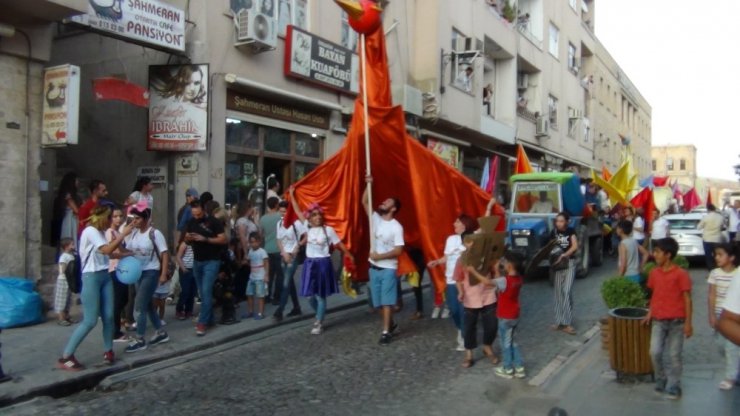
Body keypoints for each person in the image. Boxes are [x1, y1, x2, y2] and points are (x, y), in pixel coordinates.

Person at [57, 206, 133, 371]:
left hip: (104, 276)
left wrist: (129, 254)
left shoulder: (100, 233)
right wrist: (123, 234)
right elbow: (106, 249)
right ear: (103, 218)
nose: (114, 221)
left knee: (109, 316)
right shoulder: (90, 231)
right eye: (111, 217)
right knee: (90, 320)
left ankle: (108, 351)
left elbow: (109, 254)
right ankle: (66, 356)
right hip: (91, 277)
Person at [289, 186, 354, 335]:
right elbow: (298, 211)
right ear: (310, 218)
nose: (318, 217)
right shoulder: (307, 228)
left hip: (323, 264)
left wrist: (349, 254)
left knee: (320, 295)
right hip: (310, 264)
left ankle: (318, 322)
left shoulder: (328, 230)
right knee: (310, 296)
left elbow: (339, 244)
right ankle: (320, 312)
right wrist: (292, 195)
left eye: (319, 215)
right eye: (314, 215)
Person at [641, 237, 692, 400]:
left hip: (677, 321)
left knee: (674, 355)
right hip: (658, 320)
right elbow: (654, 295)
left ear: (668, 255)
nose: (654, 255)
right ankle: (661, 379)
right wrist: (650, 312)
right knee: (654, 352)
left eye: (657, 252)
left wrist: (689, 323)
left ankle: (674, 385)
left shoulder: (681, 274)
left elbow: (687, 299)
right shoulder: (654, 273)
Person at [362, 177, 404, 345]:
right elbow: (364, 201)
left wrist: (380, 256)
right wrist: (369, 184)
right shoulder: (376, 219)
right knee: (377, 304)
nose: (383, 202)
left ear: (393, 208)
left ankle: (386, 332)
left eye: (387, 202)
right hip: (374, 268)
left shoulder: (396, 227)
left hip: (388, 269)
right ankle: (391, 323)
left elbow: (398, 250)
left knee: (386, 303)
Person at [123, 203, 170, 353]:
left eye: (137, 218)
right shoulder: (135, 234)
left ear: (145, 218)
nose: (134, 221)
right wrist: (122, 235)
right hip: (138, 272)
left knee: (139, 305)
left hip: (151, 272)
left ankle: (140, 338)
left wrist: (163, 274)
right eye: (133, 218)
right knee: (148, 305)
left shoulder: (155, 233)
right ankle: (161, 332)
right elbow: (127, 251)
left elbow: (164, 253)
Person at [427, 214, 478, 350]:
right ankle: (461, 329)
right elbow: (447, 257)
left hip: (465, 280)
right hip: (451, 279)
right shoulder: (450, 239)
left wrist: (490, 207)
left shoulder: (472, 238)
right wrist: (437, 262)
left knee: (463, 310)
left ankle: (464, 336)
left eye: (457, 222)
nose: (454, 224)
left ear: (464, 224)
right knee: (454, 310)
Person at [185, 200, 228, 336]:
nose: (196, 217)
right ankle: (209, 319)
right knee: (203, 293)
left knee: (206, 290)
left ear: (204, 210)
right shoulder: (191, 222)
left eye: (198, 214)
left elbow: (223, 239)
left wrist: (206, 239)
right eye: (194, 214)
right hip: (197, 261)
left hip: (211, 261)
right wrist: (188, 239)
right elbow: (185, 241)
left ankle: (202, 323)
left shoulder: (214, 222)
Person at [458, 239, 499, 368]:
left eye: (472, 242)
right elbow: (458, 278)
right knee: (469, 327)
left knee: (492, 325)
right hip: (470, 296)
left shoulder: (487, 258)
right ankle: (469, 354)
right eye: (467, 242)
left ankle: (487, 346)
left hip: (488, 295)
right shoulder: (462, 259)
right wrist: (460, 292)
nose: (470, 245)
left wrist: (496, 269)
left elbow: (495, 276)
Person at [706, 243, 740, 390]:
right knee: (722, 346)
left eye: (720, 254)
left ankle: (730, 376)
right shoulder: (715, 273)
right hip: (721, 316)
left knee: (732, 347)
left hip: (734, 317)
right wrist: (712, 314)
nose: (716, 257)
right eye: (716, 255)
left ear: (732, 257)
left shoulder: (736, 273)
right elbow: (711, 295)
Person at [491, 251, 526, 379]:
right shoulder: (518, 279)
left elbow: (487, 282)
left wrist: (473, 271)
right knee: (513, 341)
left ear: (510, 265)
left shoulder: (505, 280)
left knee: (505, 343)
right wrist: (497, 271)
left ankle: (507, 368)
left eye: (505, 262)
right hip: (514, 315)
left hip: (505, 316)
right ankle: (519, 367)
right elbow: (499, 283)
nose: (503, 265)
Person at [274, 200, 305, 321]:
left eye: (284, 211)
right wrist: (283, 252)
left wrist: (297, 246)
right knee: (289, 281)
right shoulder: (279, 223)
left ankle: (280, 310)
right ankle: (296, 307)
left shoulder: (296, 222)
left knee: (286, 282)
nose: (282, 214)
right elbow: (278, 239)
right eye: (281, 211)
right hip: (284, 254)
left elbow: (306, 236)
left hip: (294, 254)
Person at [106, 207, 131, 343]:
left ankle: (117, 325)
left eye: (120, 216)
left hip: (121, 269)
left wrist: (132, 252)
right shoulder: (110, 232)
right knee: (118, 301)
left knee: (124, 299)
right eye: (115, 216)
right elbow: (110, 253)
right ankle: (114, 332)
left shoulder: (116, 232)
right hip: (114, 269)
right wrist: (126, 254)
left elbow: (121, 249)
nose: (118, 219)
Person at [551, 212, 578, 335]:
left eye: (561, 221)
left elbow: (575, 246)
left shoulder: (571, 231)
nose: (559, 223)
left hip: (569, 263)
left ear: (567, 221)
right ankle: (559, 321)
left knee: (566, 291)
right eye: (557, 221)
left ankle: (567, 323)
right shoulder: (554, 232)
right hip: (557, 265)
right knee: (558, 292)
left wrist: (564, 255)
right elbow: (549, 247)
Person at [260, 197, 284, 305]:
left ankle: (267, 296)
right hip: (279, 249)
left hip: (267, 249)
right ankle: (277, 297)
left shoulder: (263, 219)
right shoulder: (280, 217)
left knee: (268, 274)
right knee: (280, 275)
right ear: (276, 205)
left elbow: (261, 234)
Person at [52, 172, 82, 248]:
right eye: (76, 180)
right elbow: (76, 210)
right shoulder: (68, 196)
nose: (78, 182)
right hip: (70, 220)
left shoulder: (70, 195)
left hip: (72, 219)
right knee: (70, 236)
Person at [245, 232, 270, 319]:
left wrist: (266, 275)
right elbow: (249, 260)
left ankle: (260, 313)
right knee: (249, 294)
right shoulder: (250, 251)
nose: (253, 244)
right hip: (252, 276)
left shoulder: (262, 252)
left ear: (259, 242)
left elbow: (266, 263)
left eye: (254, 242)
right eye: (251, 242)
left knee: (260, 295)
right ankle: (250, 311)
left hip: (260, 277)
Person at [616, 220, 649, 284]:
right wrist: (641, 267)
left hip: (627, 276)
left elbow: (623, 264)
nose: (616, 230)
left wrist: (618, 278)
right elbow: (646, 254)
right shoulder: (634, 241)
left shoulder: (622, 244)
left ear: (621, 230)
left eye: (617, 228)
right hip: (636, 274)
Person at [54, 238, 77, 326]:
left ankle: (67, 316)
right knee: (62, 299)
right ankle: (61, 318)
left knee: (68, 299)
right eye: (72, 244)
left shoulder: (71, 255)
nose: (73, 246)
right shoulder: (63, 257)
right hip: (63, 280)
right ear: (67, 246)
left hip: (69, 281)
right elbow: (62, 269)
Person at [174, 234, 197, 320]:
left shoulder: (195, 245)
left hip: (194, 269)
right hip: (186, 269)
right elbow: (178, 257)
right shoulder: (184, 244)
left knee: (192, 291)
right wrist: (183, 268)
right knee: (185, 291)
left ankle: (189, 310)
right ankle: (179, 309)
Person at [699, 204, 725, 270]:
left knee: (708, 256)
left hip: (707, 238)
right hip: (717, 239)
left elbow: (699, 227)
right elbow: (723, 227)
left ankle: (711, 270)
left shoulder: (706, 217)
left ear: (708, 209)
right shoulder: (720, 217)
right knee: (717, 255)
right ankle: (718, 269)